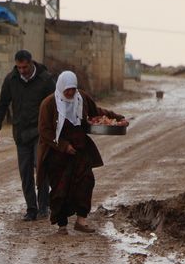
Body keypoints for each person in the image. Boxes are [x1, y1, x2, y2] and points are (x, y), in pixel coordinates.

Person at [37, 71, 128, 235]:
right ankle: (62, 225)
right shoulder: (49, 104)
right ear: (61, 87)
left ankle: (81, 220)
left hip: (80, 149)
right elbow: (45, 131)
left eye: (73, 89)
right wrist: (64, 146)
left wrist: (118, 118)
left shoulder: (81, 98)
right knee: (60, 188)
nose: (71, 93)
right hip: (57, 154)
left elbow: (96, 112)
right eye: (68, 90)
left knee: (86, 181)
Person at [0, 50, 56, 221]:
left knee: (40, 167)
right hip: (20, 133)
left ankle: (44, 206)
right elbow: (2, 104)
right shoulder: (11, 80)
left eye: (25, 67)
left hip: (40, 132)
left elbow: (56, 104)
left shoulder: (46, 79)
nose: (22, 71)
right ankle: (31, 208)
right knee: (25, 172)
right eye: (19, 67)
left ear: (31, 63)